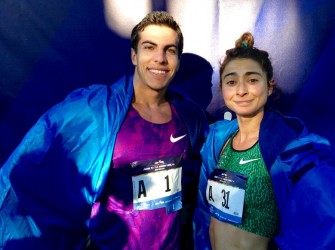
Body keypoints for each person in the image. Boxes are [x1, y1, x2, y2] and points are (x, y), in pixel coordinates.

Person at [0, 11, 208, 249]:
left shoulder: (191, 118)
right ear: (134, 55)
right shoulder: (95, 112)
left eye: (170, 50)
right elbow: (34, 170)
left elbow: (198, 182)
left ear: (177, 61)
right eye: (149, 47)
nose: (160, 58)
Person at [194, 32, 335, 249]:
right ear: (222, 89)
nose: (241, 90)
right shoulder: (217, 141)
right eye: (232, 81)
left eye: (252, 80)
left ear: (269, 86)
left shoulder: (291, 155)